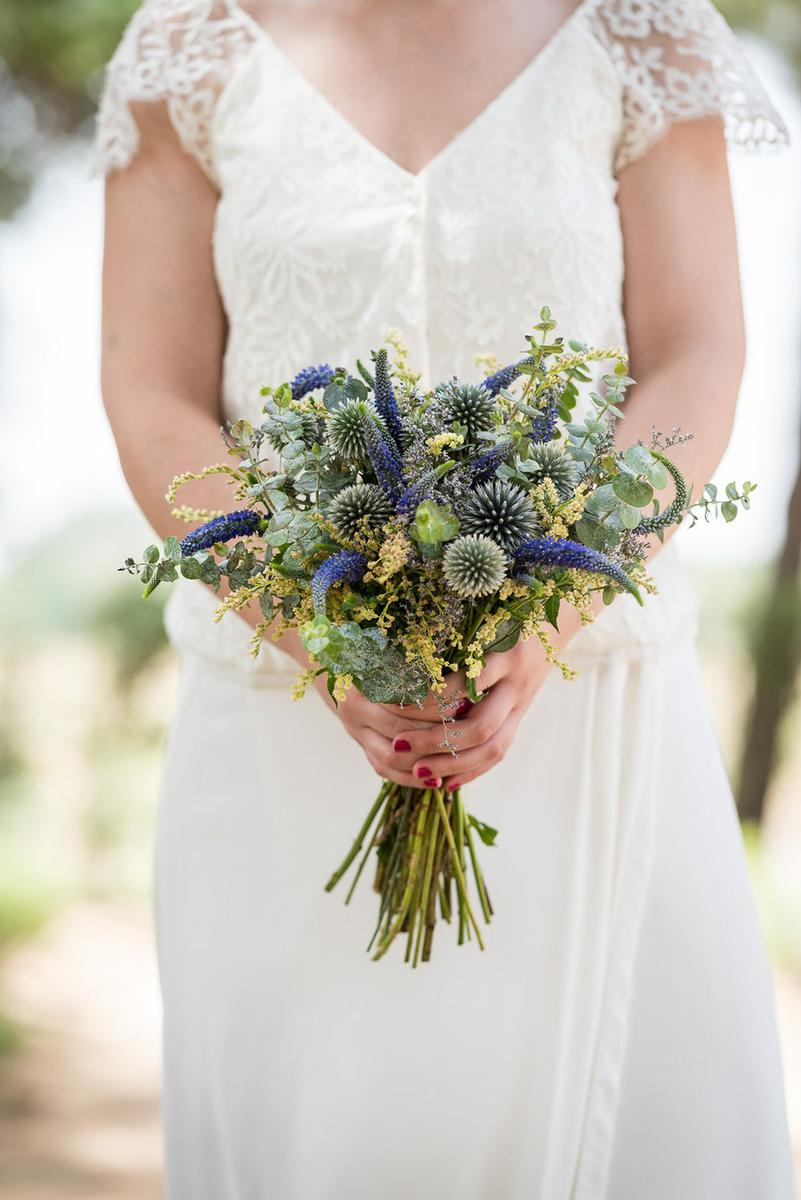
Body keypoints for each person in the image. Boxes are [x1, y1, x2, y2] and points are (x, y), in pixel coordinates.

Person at [92, 1, 795, 1195]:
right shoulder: (187, 45)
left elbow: (697, 354)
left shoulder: (645, 30)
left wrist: (551, 608)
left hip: (589, 699)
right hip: (275, 720)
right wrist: (323, 634)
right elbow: (150, 389)